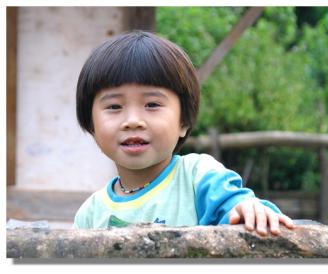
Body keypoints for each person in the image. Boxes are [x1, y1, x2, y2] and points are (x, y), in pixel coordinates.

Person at [73, 31, 294, 236]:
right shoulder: (90, 214)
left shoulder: (198, 177)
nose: (133, 121)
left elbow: (235, 205)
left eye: (151, 104)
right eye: (114, 107)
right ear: (92, 124)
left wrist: (249, 208)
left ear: (183, 121)